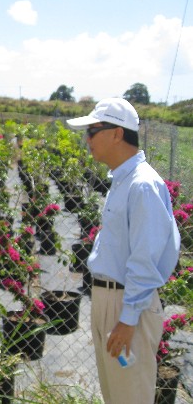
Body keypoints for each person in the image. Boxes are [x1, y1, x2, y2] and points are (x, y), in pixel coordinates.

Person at [67, 98, 180, 404]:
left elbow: (146, 259)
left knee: (130, 396)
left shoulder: (142, 185)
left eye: (92, 130)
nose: (87, 139)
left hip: (127, 305)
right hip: (112, 300)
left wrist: (128, 319)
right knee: (116, 395)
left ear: (117, 133)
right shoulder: (123, 180)